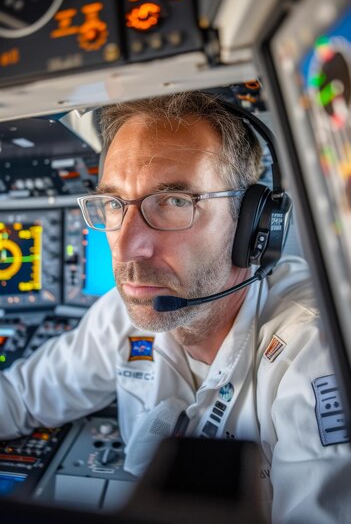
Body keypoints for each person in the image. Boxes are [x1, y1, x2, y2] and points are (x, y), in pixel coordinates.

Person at [0, 91, 350, 523]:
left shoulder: (316, 349)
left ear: (254, 227)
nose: (128, 248)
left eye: (174, 201)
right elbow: (18, 399)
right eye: (114, 204)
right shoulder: (122, 314)